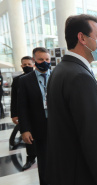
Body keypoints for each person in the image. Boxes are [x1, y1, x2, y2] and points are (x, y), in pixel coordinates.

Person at [46, 14, 97, 185]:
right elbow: (90, 134)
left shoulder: (61, 70)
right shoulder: (79, 76)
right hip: (84, 173)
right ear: (82, 38)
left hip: (68, 168)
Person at [18, 47, 51, 185]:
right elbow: (22, 107)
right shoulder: (25, 80)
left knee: (60, 159)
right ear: (34, 61)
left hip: (57, 125)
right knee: (43, 162)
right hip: (38, 127)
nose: (45, 62)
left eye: (47, 59)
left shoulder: (58, 76)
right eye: (41, 59)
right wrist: (25, 129)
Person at [10, 56, 36, 170]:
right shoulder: (17, 80)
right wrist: (14, 114)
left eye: (29, 64)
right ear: (21, 66)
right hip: (24, 113)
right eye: (24, 65)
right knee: (27, 136)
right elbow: (14, 98)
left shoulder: (39, 76)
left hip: (39, 112)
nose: (27, 67)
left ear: (33, 64)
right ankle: (31, 157)